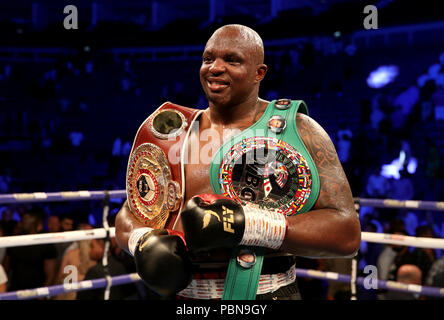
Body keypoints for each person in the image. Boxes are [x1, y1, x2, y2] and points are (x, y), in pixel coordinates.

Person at [115, 24, 361, 300]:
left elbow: (346, 234)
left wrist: (249, 225)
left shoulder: (299, 131)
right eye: (208, 59)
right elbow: (131, 214)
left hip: (268, 293)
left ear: (260, 73)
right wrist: (142, 240)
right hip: (184, 298)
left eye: (232, 60)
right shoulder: (173, 134)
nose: (215, 68)